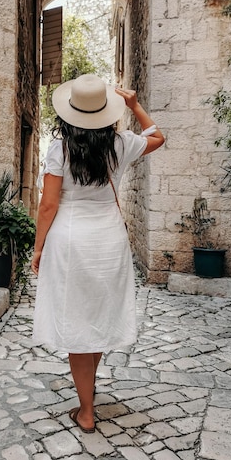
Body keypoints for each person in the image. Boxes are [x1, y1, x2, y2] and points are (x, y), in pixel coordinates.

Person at [31, 73, 165, 434]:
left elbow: (48, 205)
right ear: (106, 112)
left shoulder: (60, 149)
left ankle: (86, 409)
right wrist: (135, 104)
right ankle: (89, 396)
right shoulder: (121, 143)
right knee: (99, 317)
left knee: (77, 320)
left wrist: (38, 247)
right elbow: (158, 136)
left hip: (70, 241)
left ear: (69, 113)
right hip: (108, 241)